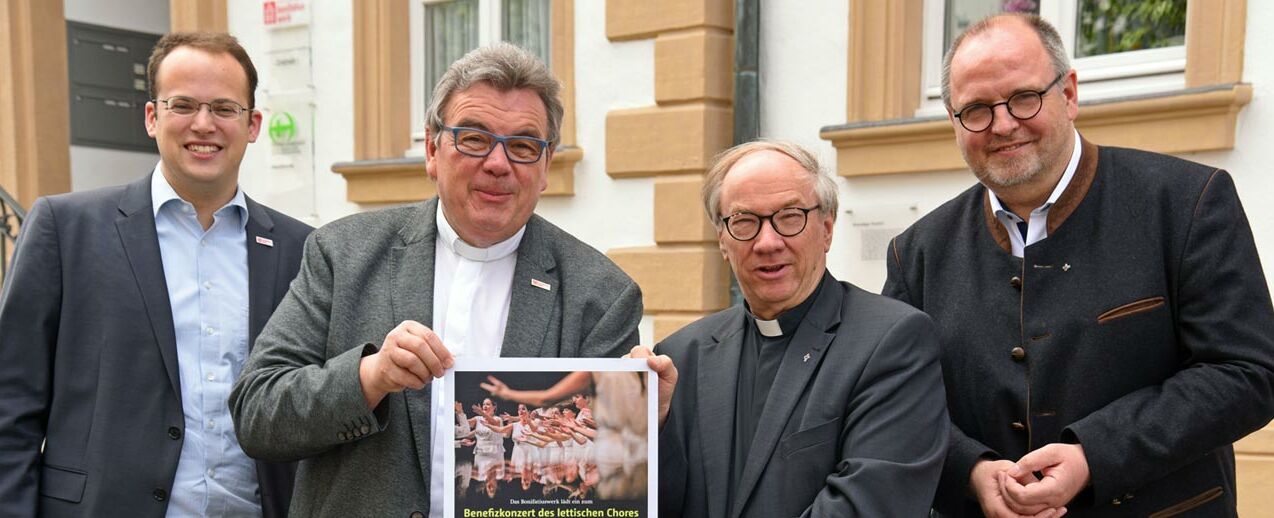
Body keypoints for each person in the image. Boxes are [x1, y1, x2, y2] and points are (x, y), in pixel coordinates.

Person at [884, 13, 1274, 518]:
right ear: (954, 123)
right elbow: (897, 403)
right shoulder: (916, 252)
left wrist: (1095, 455)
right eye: (976, 110)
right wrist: (971, 472)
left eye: (1024, 98)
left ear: (1068, 93)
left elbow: (1247, 372)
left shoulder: (1187, 202)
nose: (1003, 125)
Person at [228, 42, 642, 517]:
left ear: (546, 166)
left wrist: (639, 417)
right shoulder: (342, 254)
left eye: (524, 147)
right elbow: (258, 415)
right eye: (473, 138)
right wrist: (369, 378)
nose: (498, 164)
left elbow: (609, 476)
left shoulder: (601, 295)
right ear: (431, 149)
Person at [0, 32, 311, 517]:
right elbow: (10, 405)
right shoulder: (66, 229)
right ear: (152, 117)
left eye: (224, 108)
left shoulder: (302, 250)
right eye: (183, 104)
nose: (203, 124)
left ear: (252, 125)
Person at [643, 140, 949, 517]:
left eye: (790, 216)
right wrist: (644, 431)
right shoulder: (681, 354)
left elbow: (870, 506)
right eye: (744, 222)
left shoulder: (892, 341)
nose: (767, 242)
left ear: (826, 229)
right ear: (722, 240)